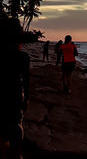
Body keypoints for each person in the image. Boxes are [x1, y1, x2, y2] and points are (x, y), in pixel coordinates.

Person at [0, 19, 30, 159]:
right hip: (15, 95)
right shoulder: (22, 57)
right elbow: (26, 80)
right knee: (16, 125)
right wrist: (27, 98)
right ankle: (17, 154)